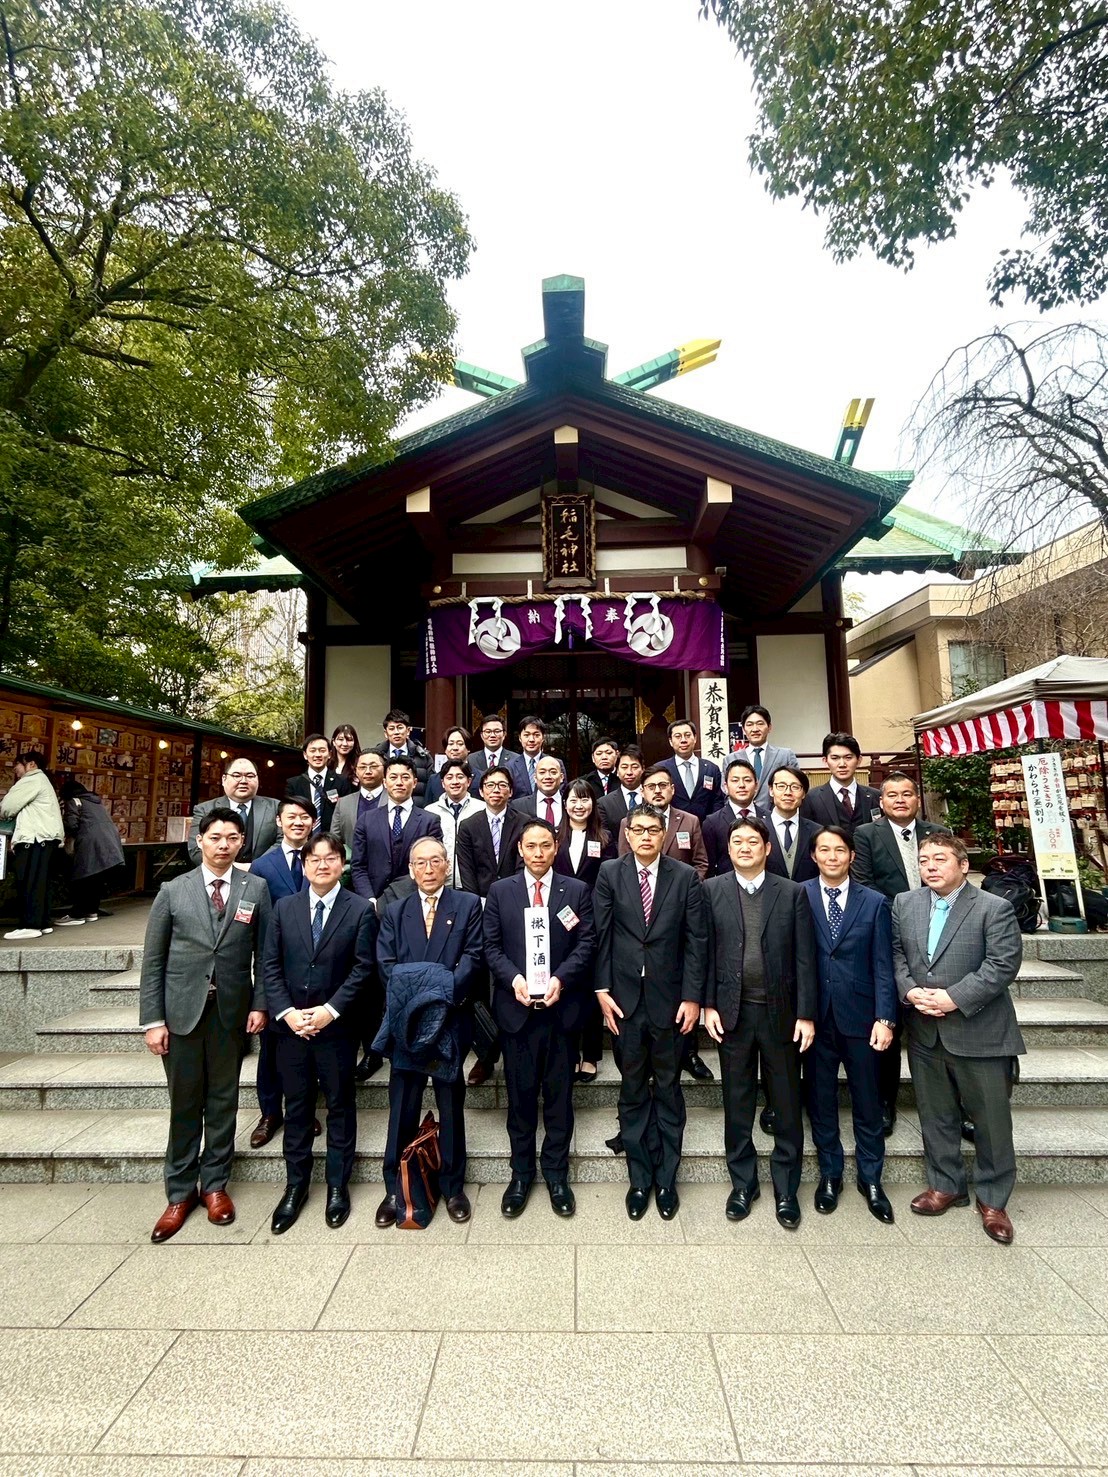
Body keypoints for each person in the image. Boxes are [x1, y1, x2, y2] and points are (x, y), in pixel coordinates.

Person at [139, 807, 271, 1242]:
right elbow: (154, 961)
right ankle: (179, 1192)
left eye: (232, 837)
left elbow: (264, 954)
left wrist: (260, 1003)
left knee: (222, 1099)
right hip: (180, 1013)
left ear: (241, 843)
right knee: (184, 1103)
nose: (223, 844)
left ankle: (214, 1186)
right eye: (215, 837)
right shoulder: (173, 891)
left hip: (230, 1013)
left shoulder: (257, 888)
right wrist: (153, 1019)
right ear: (200, 840)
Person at [893, 831, 1025, 1244]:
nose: (930, 866)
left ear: (963, 866)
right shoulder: (905, 903)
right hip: (925, 1030)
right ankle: (945, 1184)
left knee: (990, 1121)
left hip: (978, 1030)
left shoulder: (993, 907)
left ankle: (993, 1199)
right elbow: (896, 953)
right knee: (936, 1115)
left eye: (940, 859)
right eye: (924, 860)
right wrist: (909, 990)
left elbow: (1002, 964)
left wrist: (953, 998)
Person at [593, 802, 709, 1220]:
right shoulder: (610, 874)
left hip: (672, 1000)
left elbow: (697, 941)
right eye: (637, 829)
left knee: (669, 1087)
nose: (644, 836)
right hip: (623, 1001)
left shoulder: (684, 878)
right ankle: (640, 1178)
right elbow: (601, 933)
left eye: (652, 830)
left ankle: (666, 1178)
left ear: (663, 835)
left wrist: (693, 997)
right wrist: (601, 989)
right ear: (626, 834)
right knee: (633, 1089)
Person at [703, 816, 816, 1230]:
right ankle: (743, 1183)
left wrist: (806, 1013)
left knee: (786, 1103)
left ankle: (786, 1188)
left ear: (768, 849)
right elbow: (704, 951)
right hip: (731, 1014)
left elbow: (806, 956)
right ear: (728, 850)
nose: (745, 847)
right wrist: (708, 1004)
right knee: (737, 1102)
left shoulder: (791, 892)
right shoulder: (711, 890)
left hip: (781, 1014)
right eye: (737, 841)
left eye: (753, 841)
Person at [264, 830, 378, 1234]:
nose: (323, 865)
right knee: (296, 1109)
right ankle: (295, 1187)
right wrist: (286, 1013)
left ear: (342, 865)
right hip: (291, 1029)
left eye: (331, 858)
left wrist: (330, 1011)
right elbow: (270, 966)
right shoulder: (283, 908)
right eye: (315, 859)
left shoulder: (360, 908)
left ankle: (336, 1186)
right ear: (305, 865)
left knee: (341, 1107)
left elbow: (364, 968)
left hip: (336, 1029)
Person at [484, 819, 596, 1218]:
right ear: (520, 849)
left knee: (559, 1099)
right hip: (517, 1014)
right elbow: (491, 946)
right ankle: (520, 1174)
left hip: (561, 1011)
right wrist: (513, 979)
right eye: (530, 846)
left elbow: (587, 943)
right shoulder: (501, 891)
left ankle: (556, 1173)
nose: (537, 853)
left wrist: (561, 980)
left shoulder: (577, 890)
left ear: (555, 847)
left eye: (545, 845)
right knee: (520, 1098)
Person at [374, 836, 484, 1227]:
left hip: (449, 1020)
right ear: (410, 869)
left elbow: (473, 958)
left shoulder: (468, 905)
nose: (428, 869)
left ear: (447, 864)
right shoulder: (395, 910)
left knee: (451, 1106)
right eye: (420, 863)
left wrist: (436, 996)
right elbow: (386, 963)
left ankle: (453, 1186)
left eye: (435, 861)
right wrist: (419, 998)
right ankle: (394, 1189)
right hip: (406, 1024)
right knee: (402, 1105)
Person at [801, 825, 896, 1223]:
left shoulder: (874, 902)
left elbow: (884, 964)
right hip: (815, 1019)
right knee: (821, 1103)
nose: (833, 857)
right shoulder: (799, 895)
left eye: (840, 850)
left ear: (852, 856)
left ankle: (871, 1178)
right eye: (825, 850)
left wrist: (885, 1017)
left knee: (868, 1102)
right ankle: (831, 1173)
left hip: (861, 1017)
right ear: (814, 856)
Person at [852, 772, 943, 1136]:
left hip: (937, 938)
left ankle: (944, 1104)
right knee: (888, 1023)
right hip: (888, 935)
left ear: (917, 799)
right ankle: (885, 1103)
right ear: (882, 801)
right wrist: (908, 914)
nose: (900, 800)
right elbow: (866, 884)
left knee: (937, 1026)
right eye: (892, 795)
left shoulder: (936, 833)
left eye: (907, 794)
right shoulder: (866, 834)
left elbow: (946, 879)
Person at [248, 795, 320, 1147]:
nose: (298, 822)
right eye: (292, 816)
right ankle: (269, 1112)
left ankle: (303, 1111)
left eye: (305, 817)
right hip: (275, 966)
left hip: (315, 967)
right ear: (279, 822)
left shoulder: (322, 860)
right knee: (272, 1046)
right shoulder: (263, 866)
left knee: (309, 1045)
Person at [456, 766, 525, 1086]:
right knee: (479, 983)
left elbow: (525, 867)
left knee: (511, 977)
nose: (496, 789)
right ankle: (485, 1054)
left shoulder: (523, 822)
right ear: (480, 791)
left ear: (511, 791)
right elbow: (466, 872)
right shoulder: (468, 825)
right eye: (490, 785)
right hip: (478, 911)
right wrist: (476, 903)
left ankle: (512, 1046)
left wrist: (504, 901)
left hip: (514, 910)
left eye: (502, 785)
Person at [554, 779, 617, 1081]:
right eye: (573, 800)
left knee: (592, 986)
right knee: (565, 984)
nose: (579, 805)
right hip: (559, 917)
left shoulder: (606, 838)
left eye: (585, 799)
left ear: (594, 803)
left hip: (595, 919)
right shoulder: (553, 837)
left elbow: (610, 883)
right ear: (564, 804)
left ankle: (591, 1054)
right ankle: (567, 1051)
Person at [350, 755, 443, 901]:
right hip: (373, 901)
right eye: (393, 777)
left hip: (415, 900)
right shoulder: (367, 820)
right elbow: (358, 866)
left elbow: (433, 865)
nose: (399, 783)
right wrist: (369, 899)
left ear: (415, 783)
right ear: (385, 782)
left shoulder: (430, 821)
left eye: (405, 777)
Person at [1, 751, 64, 940]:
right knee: (40, 882)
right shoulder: (44, 780)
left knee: (29, 881)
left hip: (35, 839)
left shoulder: (32, 779)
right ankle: (42, 922)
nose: (15, 769)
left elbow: (7, 807)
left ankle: (31, 924)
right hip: (46, 838)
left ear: (31, 764)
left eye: (18, 765)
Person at [615, 765, 709, 880]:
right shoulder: (628, 822)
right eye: (651, 787)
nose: (658, 791)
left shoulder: (690, 821)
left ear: (672, 789)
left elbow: (700, 863)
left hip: (681, 889)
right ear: (642, 792)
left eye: (663, 785)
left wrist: (690, 887)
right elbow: (625, 863)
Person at [187, 756, 279, 867]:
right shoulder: (204, 809)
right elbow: (195, 849)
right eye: (237, 775)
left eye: (250, 776)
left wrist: (256, 867)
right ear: (223, 779)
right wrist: (229, 868)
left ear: (257, 779)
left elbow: (284, 841)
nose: (243, 781)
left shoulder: (275, 807)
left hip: (263, 875)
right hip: (220, 875)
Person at [55, 779, 124, 926]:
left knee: (83, 878)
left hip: (90, 843)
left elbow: (72, 824)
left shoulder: (74, 801)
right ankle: (91, 911)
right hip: (109, 842)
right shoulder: (95, 802)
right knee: (95, 879)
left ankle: (77, 914)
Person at [801, 732, 881, 835]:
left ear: (859, 760)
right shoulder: (811, 798)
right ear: (825, 761)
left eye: (848, 758)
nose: (842, 764)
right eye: (835, 758)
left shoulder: (875, 796)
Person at [426, 758, 485, 887]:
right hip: (440, 883)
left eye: (460, 777)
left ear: (469, 781)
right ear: (442, 783)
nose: (455, 782)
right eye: (449, 777)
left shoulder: (482, 809)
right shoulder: (430, 812)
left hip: (473, 883)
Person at [703, 757, 763, 877]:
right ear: (725, 786)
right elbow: (709, 866)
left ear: (756, 786)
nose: (741, 785)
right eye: (735, 780)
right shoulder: (712, 822)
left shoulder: (769, 818)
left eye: (747, 780)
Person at [660, 718, 725, 821]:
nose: (683, 740)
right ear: (670, 741)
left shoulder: (711, 769)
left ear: (695, 738)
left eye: (687, 735)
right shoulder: (661, 770)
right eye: (678, 736)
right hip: (673, 828)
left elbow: (718, 801)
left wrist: (712, 823)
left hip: (706, 828)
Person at [763, 766, 820, 883]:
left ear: (804, 793)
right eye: (781, 786)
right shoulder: (757, 830)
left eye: (795, 787)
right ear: (771, 790)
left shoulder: (817, 832)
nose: (788, 792)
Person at [286, 733, 351, 832]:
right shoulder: (293, 784)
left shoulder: (342, 782)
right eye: (313, 751)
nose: (317, 755)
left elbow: (346, 814)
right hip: (303, 839)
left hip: (332, 839)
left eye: (322, 750)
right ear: (305, 755)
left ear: (329, 754)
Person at [738, 705, 799, 809]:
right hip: (743, 818)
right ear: (743, 729)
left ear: (769, 727)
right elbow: (726, 792)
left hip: (776, 815)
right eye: (749, 725)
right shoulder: (731, 759)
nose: (755, 729)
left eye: (760, 724)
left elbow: (796, 785)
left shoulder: (785, 755)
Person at [373, 708, 433, 808]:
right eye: (392, 729)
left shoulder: (423, 756)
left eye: (400, 728)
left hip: (416, 810)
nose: (396, 732)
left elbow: (430, 787)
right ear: (385, 733)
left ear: (408, 730)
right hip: (383, 809)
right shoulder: (377, 756)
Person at [332, 750, 385, 855]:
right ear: (356, 771)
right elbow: (335, 840)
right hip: (352, 867)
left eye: (373, 766)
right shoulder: (343, 803)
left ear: (385, 770)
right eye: (362, 767)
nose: (368, 771)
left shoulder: (395, 800)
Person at [467, 715, 528, 798]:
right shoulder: (470, 759)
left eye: (497, 731)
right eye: (488, 731)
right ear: (481, 735)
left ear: (504, 734)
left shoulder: (516, 759)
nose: (492, 735)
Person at [510, 754, 566, 828]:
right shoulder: (517, 806)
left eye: (553, 772)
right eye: (542, 772)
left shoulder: (569, 804)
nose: (547, 777)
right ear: (535, 778)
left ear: (561, 777)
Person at [597, 745, 645, 830]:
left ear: (643, 769)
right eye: (624, 767)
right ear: (617, 771)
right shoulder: (604, 803)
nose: (629, 772)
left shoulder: (652, 798)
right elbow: (605, 836)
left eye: (634, 767)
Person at [425, 726, 472, 804]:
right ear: (445, 749)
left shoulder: (480, 777)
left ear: (468, 748)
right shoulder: (434, 780)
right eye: (450, 744)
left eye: (460, 744)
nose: (455, 748)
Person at [516, 715, 550, 793]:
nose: (531, 739)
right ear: (520, 738)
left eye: (536, 735)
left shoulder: (555, 764)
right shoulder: (510, 767)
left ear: (543, 737)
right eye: (526, 735)